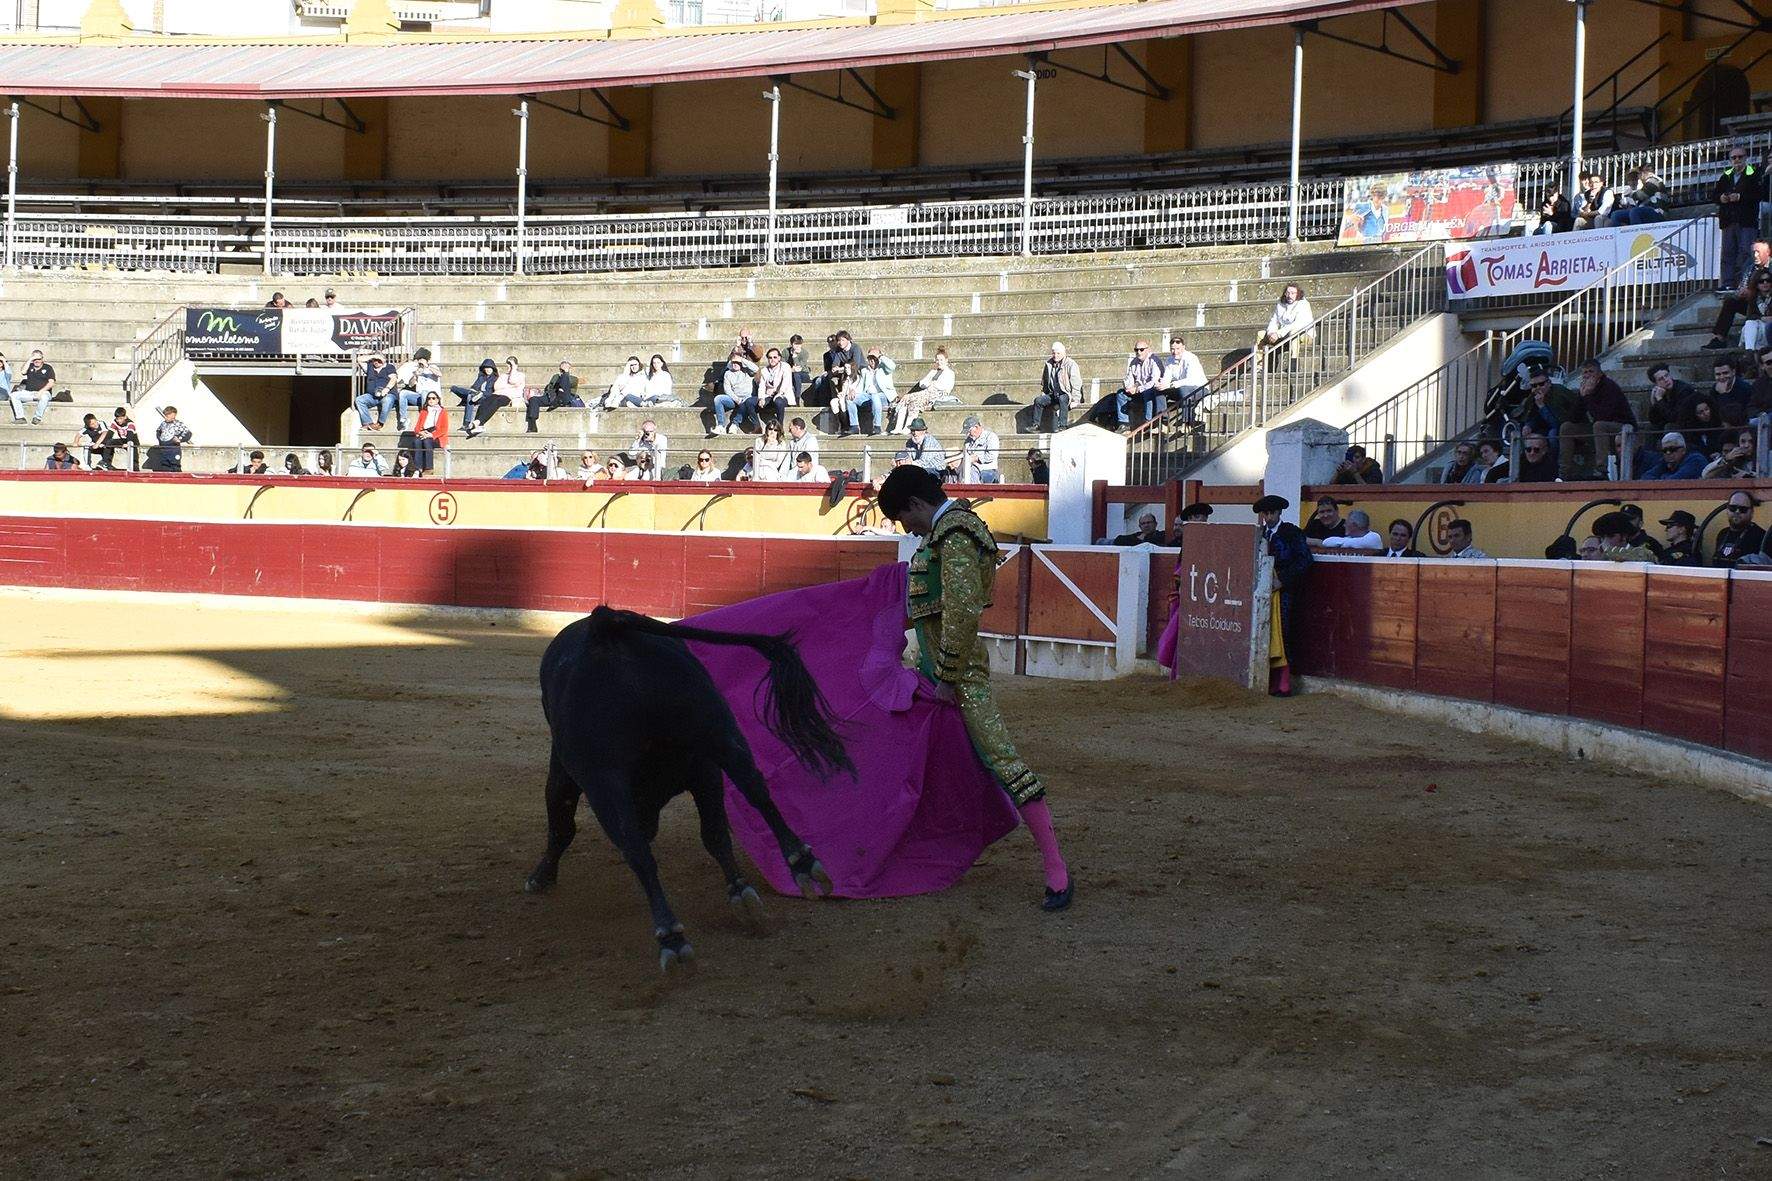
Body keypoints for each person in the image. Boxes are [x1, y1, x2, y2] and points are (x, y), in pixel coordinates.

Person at [875, 463, 1073, 911]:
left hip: (958, 678)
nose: (906, 528)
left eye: (904, 519)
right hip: (933, 673)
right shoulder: (942, 534)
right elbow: (932, 605)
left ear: (916, 504)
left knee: (1001, 758)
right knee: (925, 762)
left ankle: (1056, 869)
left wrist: (945, 678)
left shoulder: (956, 535)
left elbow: (962, 613)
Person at [1254, 494, 1312, 697]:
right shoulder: (1259, 534)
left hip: (1286, 593)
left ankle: (1284, 683)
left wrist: (1283, 580)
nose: (1269, 517)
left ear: (1280, 512)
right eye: (1265, 513)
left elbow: (1305, 561)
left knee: (1284, 633)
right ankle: (1268, 680)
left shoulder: (1291, 533)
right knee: (1263, 634)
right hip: (1261, 592)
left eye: (1272, 513)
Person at [1558, 359, 1636, 479]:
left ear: (1599, 373)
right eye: (1585, 373)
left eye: (1591, 371)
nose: (1588, 375)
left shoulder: (1609, 387)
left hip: (1622, 426)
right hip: (1600, 430)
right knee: (1566, 428)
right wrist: (1582, 397)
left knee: (1599, 425)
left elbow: (1604, 416)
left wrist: (1588, 396)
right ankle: (1564, 472)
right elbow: (1574, 418)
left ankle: (1601, 469)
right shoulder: (1585, 389)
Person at [1704, 238, 1772, 349]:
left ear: (1767, 252)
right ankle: (1719, 338)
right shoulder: (1751, 268)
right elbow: (1742, 287)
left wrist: (1753, 291)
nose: (1755, 255)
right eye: (1753, 252)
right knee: (1730, 302)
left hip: (1769, 304)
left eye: (1758, 252)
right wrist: (1741, 293)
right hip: (1753, 304)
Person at [1714, 146, 1764, 292]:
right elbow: (1714, 195)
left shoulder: (1753, 173)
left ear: (1746, 158)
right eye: (1734, 157)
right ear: (1730, 160)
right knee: (1728, 253)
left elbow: (1759, 194)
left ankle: (1746, 282)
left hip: (1747, 220)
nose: (1737, 160)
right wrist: (1721, 198)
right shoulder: (1726, 176)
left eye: (1740, 157)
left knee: (1746, 252)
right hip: (1729, 220)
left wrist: (1741, 197)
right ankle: (1728, 283)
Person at [894, 348, 954, 435]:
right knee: (908, 400)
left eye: (941, 360)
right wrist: (930, 379)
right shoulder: (933, 371)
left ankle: (907, 427)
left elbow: (945, 387)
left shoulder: (949, 373)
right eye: (937, 360)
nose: (939, 362)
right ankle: (898, 427)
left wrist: (931, 384)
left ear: (946, 360)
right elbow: (922, 383)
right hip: (926, 393)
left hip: (937, 394)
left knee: (909, 398)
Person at [466, 355, 525, 436]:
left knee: (496, 402)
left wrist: (514, 368)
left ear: (515, 366)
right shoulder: (503, 376)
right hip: (497, 394)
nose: (509, 367)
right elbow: (496, 387)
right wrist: (510, 387)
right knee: (486, 401)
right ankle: (480, 425)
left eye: (511, 365)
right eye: (508, 365)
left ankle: (478, 422)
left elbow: (512, 381)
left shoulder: (520, 375)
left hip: (509, 397)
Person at [1033, 341, 1084, 433]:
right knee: (1038, 401)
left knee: (1062, 398)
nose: (1055, 355)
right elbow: (1045, 381)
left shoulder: (1071, 364)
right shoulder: (1048, 364)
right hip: (1053, 394)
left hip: (1066, 393)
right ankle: (1036, 425)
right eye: (1053, 353)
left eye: (1058, 353)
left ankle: (1063, 425)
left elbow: (1076, 382)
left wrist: (1076, 400)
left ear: (1064, 353)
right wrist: (1044, 393)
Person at [846, 348, 894, 438]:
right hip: (868, 396)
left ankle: (877, 426)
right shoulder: (865, 371)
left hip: (883, 396)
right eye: (870, 358)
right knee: (850, 399)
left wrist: (880, 356)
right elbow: (861, 386)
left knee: (874, 395)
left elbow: (892, 366)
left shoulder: (885, 369)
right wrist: (853, 391)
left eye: (874, 358)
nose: (872, 361)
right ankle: (854, 426)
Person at [1257, 284, 1315, 359]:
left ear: (1298, 294)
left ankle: (1293, 363)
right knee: (1260, 335)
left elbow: (1297, 324)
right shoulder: (1280, 304)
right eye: (1288, 293)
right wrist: (1271, 332)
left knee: (1294, 332)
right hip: (1284, 336)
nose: (1290, 295)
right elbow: (1274, 321)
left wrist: (1278, 334)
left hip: (1304, 335)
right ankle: (1259, 366)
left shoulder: (1303, 304)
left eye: (1293, 293)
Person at [1158, 336, 1208, 422]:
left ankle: (1187, 422)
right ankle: (1163, 421)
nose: (1175, 352)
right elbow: (1167, 377)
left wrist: (1170, 384)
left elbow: (1190, 380)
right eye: (1172, 349)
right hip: (1181, 390)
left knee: (1183, 389)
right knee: (1158, 391)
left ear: (1183, 348)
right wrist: (1162, 384)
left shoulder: (1191, 358)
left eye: (1178, 348)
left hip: (1200, 389)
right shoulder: (1169, 360)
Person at [711, 352, 761, 436]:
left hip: (747, 397)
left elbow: (756, 369)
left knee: (746, 401)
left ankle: (735, 424)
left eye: (737, 362)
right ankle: (721, 426)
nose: (735, 364)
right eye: (733, 362)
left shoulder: (747, 371)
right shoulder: (728, 373)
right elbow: (727, 390)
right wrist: (736, 399)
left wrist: (741, 359)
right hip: (734, 398)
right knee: (718, 399)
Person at [1118, 340, 1162, 431]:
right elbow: (1129, 377)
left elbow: (1154, 381)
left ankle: (1148, 422)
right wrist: (1129, 387)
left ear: (1147, 350)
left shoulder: (1154, 361)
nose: (1138, 352)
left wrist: (1138, 389)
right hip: (1138, 391)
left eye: (1141, 349)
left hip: (1151, 391)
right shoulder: (1134, 362)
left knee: (1148, 392)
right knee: (1120, 394)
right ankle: (1124, 424)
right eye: (1136, 350)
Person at [1713, 493, 1765, 566]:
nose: (1737, 512)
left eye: (1743, 509)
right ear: (1727, 510)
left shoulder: (1761, 537)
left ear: (1751, 512)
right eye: (1733, 508)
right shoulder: (1722, 534)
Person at [528, 360, 579, 433]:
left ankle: (558, 402)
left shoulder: (574, 379)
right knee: (533, 399)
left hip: (564, 398)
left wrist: (566, 372)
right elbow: (551, 387)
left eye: (565, 368)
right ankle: (533, 425)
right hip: (552, 397)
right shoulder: (556, 376)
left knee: (562, 388)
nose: (562, 370)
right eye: (562, 369)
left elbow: (565, 384)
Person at [1645, 363, 1696, 433]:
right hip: (1674, 424)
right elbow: (1654, 420)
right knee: (1651, 428)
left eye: (1666, 375)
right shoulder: (1661, 392)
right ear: (1656, 384)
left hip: (1690, 425)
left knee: (1670, 427)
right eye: (1661, 379)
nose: (1666, 380)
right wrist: (1654, 402)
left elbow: (1674, 418)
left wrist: (1659, 399)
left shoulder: (1684, 390)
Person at [409, 390, 449, 474]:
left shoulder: (442, 411)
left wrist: (431, 435)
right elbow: (416, 428)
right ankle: (418, 467)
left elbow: (444, 429)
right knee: (417, 441)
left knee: (427, 441)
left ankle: (429, 468)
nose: (431, 400)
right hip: (424, 432)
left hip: (436, 435)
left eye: (433, 398)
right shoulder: (424, 411)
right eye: (429, 398)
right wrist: (420, 433)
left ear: (438, 400)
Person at [11, 350, 56, 425]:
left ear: (42, 359)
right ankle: (20, 417)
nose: (37, 361)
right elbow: (23, 372)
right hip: (29, 392)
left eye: (38, 359)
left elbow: (51, 383)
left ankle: (37, 417)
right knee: (13, 395)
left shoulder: (48, 367)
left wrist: (41, 392)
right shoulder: (30, 366)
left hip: (43, 392)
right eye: (34, 359)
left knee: (44, 397)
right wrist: (30, 359)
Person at [1592, 511, 1658, 562]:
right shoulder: (1601, 555)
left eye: (1610, 536)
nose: (1605, 542)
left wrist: (1605, 552)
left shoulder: (1643, 555)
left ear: (1624, 537)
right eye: (1602, 538)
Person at [450, 358, 498, 425]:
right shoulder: (481, 377)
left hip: (485, 397)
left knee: (470, 396)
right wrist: (474, 392)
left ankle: (467, 422)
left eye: (489, 368)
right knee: (469, 393)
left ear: (493, 368)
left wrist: (482, 393)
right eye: (486, 368)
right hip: (476, 394)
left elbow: (492, 392)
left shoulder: (496, 379)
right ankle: (455, 389)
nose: (487, 370)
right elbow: (474, 387)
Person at [355, 353, 396, 431]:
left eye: (379, 360)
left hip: (387, 395)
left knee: (387, 400)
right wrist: (373, 356)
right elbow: (359, 359)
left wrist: (387, 388)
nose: (376, 362)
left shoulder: (389, 367)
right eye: (374, 360)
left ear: (384, 360)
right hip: (373, 396)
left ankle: (379, 423)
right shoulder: (370, 367)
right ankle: (368, 423)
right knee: (359, 400)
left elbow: (393, 379)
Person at [1642, 432, 1707, 480]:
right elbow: (1646, 477)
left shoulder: (1695, 460)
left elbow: (1674, 481)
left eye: (1672, 449)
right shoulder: (1665, 462)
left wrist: (1663, 476)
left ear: (1683, 450)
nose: (1668, 453)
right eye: (1664, 450)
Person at [955, 415, 1000, 484]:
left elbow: (992, 455)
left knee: (971, 473)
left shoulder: (991, 437)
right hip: (969, 468)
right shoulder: (968, 440)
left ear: (976, 427)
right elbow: (965, 454)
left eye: (969, 431)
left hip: (987, 469)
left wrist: (977, 458)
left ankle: (973, 493)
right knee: (954, 472)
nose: (968, 434)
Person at [1310, 509, 1383, 551]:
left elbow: (1360, 543)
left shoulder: (1374, 537)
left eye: (1346, 523)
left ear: (1354, 525)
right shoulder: (1349, 538)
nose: (1344, 525)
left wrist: (1340, 544)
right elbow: (1326, 542)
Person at [756, 347, 793, 426]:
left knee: (778, 401)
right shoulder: (764, 370)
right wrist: (761, 398)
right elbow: (761, 386)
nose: (772, 359)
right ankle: (757, 427)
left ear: (779, 358)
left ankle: (780, 426)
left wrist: (779, 393)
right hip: (769, 396)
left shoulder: (785, 367)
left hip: (783, 395)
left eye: (775, 357)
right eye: (770, 357)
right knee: (749, 402)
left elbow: (786, 382)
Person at [149, 406, 192, 472]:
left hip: (173, 450)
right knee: (164, 467)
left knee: (175, 467)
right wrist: (160, 440)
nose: (165, 417)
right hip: (164, 449)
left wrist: (180, 439)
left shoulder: (178, 424)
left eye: (167, 416)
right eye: (165, 416)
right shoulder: (163, 424)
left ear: (173, 415)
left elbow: (188, 433)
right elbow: (158, 431)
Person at [785, 333, 812, 405]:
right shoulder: (785, 352)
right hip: (790, 373)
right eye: (795, 344)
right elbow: (783, 365)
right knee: (794, 374)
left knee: (796, 374)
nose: (797, 346)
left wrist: (794, 356)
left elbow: (800, 367)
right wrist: (790, 370)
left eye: (799, 344)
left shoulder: (804, 353)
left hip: (803, 374)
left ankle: (797, 398)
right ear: (791, 344)